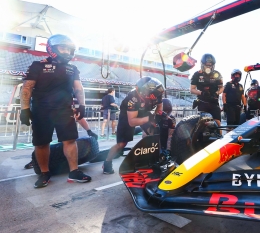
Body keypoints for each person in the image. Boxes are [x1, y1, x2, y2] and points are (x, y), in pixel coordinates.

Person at [20, 34, 91, 188]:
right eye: (62, 47)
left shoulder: (72, 68)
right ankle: (45, 173)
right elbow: (27, 88)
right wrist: (24, 109)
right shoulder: (37, 65)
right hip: (41, 111)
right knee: (41, 143)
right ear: (51, 48)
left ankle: (74, 172)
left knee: (70, 141)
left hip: (64, 110)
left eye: (69, 49)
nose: (66, 51)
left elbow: (79, 88)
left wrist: (82, 105)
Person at [103, 77, 164, 174]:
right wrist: (150, 118)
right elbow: (132, 121)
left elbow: (160, 106)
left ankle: (154, 159)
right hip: (127, 116)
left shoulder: (157, 92)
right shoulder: (132, 98)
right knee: (121, 144)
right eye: (153, 95)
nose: (156, 97)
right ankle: (107, 162)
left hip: (144, 112)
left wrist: (156, 116)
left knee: (155, 133)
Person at [190, 54, 223, 127]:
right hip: (202, 102)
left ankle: (219, 137)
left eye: (210, 65)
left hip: (214, 102)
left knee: (217, 123)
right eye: (206, 65)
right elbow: (192, 89)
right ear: (202, 65)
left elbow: (221, 88)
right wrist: (201, 93)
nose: (208, 67)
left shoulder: (217, 74)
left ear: (213, 65)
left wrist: (217, 93)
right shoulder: (197, 74)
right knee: (201, 124)